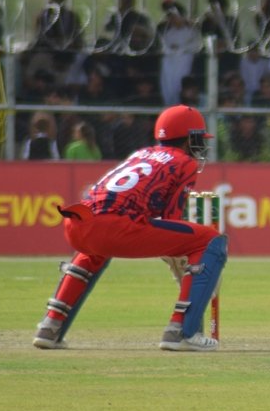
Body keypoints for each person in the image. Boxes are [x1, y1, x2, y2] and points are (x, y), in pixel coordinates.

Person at [31, 105, 227, 351]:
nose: (200, 146)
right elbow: (171, 217)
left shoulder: (141, 154)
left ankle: (51, 326)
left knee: (96, 248)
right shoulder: (184, 161)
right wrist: (191, 261)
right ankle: (181, 331)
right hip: (116, 226)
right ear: (189, 138)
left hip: (78, 221)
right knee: (210, 240)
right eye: (198, 139)